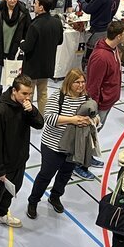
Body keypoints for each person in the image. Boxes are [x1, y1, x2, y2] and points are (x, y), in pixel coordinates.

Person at [0, 75, 44, 247]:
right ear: (14, 91)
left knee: (12, 192)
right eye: (24, 93)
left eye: (30, 93)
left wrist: (32, 111)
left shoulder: (26, 107)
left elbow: (39, 124)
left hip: (20, 161)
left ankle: (1, 214)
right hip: (3, 166)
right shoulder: (0, 112)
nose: (27, 97)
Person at [27, 69, 95, 219]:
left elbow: (94, 117)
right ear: (69, 83)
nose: (81, 85)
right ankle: (33, 201)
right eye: (77, 82)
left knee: (65, 174)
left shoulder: (86, 98)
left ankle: (55, 197)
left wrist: (92, 121)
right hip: (53, 145)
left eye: (83, 82)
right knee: (46, 175)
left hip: (72, 147)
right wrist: (73, 119)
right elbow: (49, 117)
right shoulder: (59, 97)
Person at [19, 0, 64, 113]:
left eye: (35, 3)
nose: (34, 5)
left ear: (41, 7)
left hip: (33, 66)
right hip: (47, 65)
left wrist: (21, 43)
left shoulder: (35, 25)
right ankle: (42, 117)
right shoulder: (56, 22)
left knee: (29, 93)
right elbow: (60, 41)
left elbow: (27, 47)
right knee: (43, 93)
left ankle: (28, 116)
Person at [0, 0, 31, 102]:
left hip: (15, 48)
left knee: (14, 73)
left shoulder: (24, 12)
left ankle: (12, 92)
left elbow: (28, 29)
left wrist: (24, 44)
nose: (12, 0)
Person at [86, 20, 124, 126]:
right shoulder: (101, 57)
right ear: (118, 36)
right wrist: (93, 108)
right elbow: (93, 85)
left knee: (98, 128)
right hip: (101, 104)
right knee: (93, 131)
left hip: (108, 100)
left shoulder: (114, 49)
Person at [81, 0, 121, 68]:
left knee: (90, 57)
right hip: (106, 29)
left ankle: (86, 75)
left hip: (97, 30)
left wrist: (82, 1)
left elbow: (88, 9)